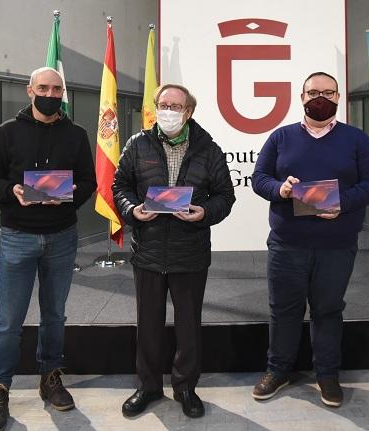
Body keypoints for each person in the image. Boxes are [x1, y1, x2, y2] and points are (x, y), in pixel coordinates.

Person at [251, 72, 369, 407]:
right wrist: (279, 190)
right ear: (301, 97)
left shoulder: (356, 140)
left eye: (328, 92)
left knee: (328, 310)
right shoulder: (280, 137)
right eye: (313, 92)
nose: (320, 98)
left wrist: (344, 202)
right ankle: (278, 370)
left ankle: (327, 375)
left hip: (336, 245)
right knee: (283, 309)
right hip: (287, 243)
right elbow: (259, 178)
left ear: (338, 97)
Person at [0, 67, 97, 431]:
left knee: (55, 315)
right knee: (8, 321)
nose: (50, 92)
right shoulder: (7, 132)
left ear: (63, 92)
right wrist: (12, 192)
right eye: (43, 87)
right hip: (17, 236)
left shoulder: (76, 134)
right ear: (29, 91)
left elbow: (89, 181)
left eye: (57, 88)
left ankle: (50, 377)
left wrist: (65, 199)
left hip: (62, 236)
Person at [113, 84, 235, 419]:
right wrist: (132, 209)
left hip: (190, 252)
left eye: (175, 106)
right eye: (163, 104)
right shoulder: (137, 145)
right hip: (148, 251)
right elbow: (119, 185)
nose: (168, 111)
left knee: (188, 328)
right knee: (148, 325)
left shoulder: (209, 150)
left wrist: (205, 213)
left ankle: (185, 388)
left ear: (189, 112)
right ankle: (149, 387)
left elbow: (225, 196)